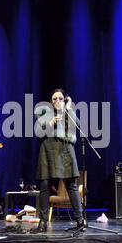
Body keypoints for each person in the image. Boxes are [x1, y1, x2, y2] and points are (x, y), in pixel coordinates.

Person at [32, 89, 84, 233]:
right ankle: (42, 222)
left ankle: (80, 220)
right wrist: (49, 124)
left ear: (65, 99)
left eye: (60, 98)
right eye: (54, 99)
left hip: (66, 149)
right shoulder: (45, 113)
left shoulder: (68, 112)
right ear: (50, 101)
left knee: (71, 186)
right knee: (45, 185)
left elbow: (77, 125)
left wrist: (68, 109)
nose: (57, 101)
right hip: (48, 148)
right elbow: (37, 131)